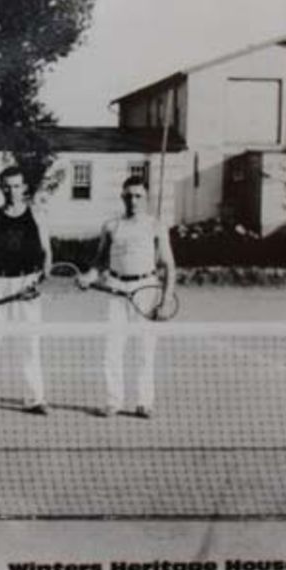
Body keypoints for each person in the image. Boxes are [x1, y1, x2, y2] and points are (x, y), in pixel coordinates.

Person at [79, 175, 177, 418]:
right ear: (122, 197)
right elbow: (98, 262)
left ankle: (144, 403)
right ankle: (114, 402)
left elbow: (169, 266)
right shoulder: (111, 226)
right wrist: (88, 277)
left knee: (145, 350)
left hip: (147, 290)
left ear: (146, 198)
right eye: (128, 196)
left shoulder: (156, 225)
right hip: (116, 290)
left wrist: (165, 301)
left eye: (138, 196)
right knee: (112, 349)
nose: (133, 200)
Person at [0, 164, 50, 415]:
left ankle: (35, 399)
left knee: (30, 345)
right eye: (7, 186)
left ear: (24, 187)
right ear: (0, 187)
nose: (12, 191)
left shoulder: (37, 214)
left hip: (27, 286)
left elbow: (47, 254)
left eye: (16, 186)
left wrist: (39, 279)